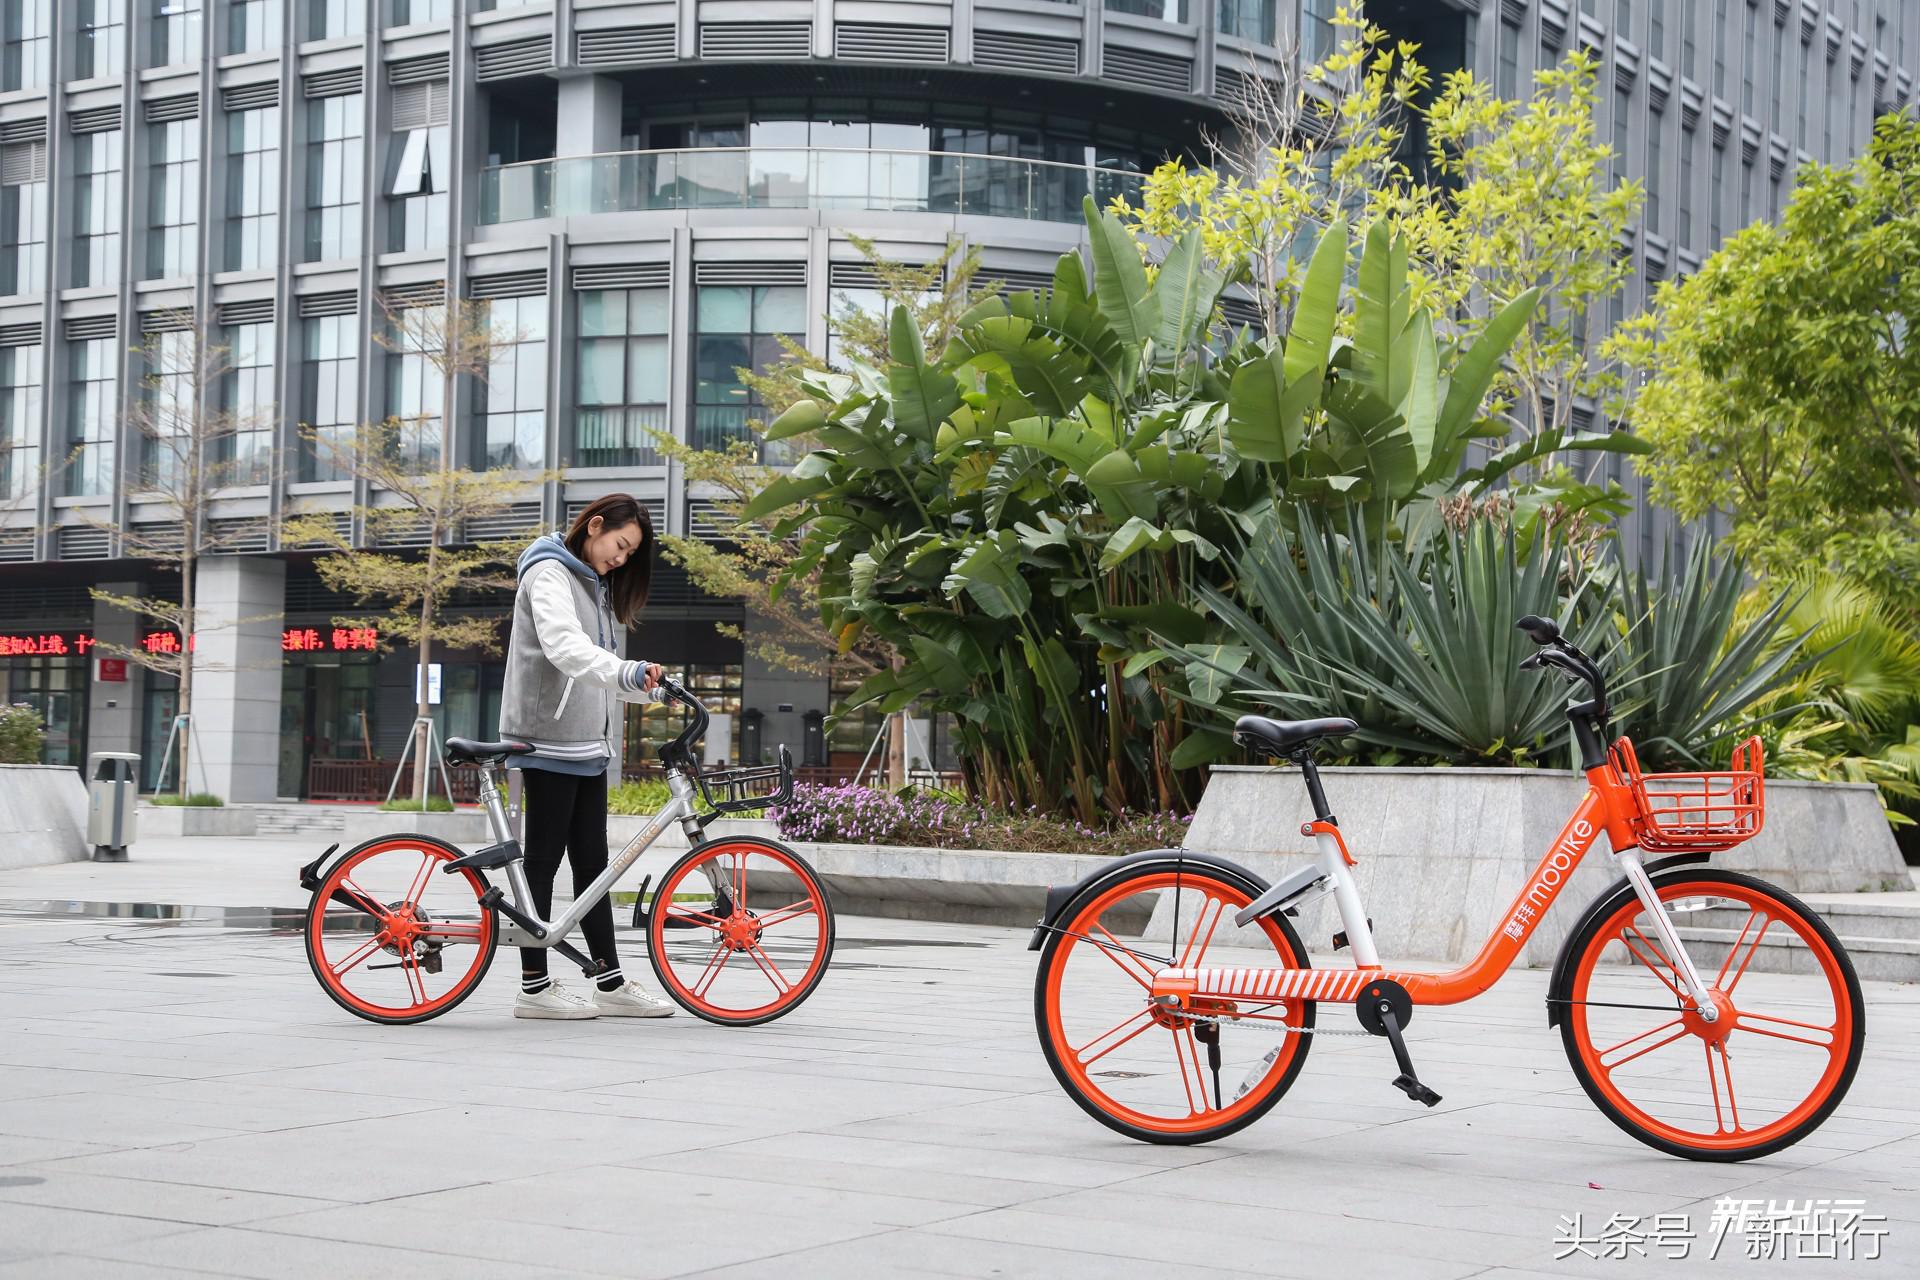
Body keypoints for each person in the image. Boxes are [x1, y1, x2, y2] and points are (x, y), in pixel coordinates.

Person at [498, 494, 674, 1020]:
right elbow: (565, 648)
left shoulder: (591, 583)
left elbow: (605, 668)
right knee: (544, 863)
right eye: (619, 546)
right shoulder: (549, 572)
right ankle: (534, 987)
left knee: (595, 868)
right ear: (594, 526)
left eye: (629, 554)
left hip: (585, 746)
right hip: (547, 741)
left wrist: (655, 687)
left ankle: (609, 980)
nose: (620, 560)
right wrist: (625, 671)